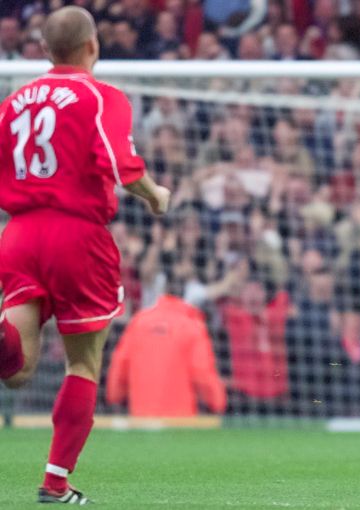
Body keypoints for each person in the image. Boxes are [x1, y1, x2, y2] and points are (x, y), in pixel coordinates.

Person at [0, 7, 170, 504]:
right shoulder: (102, 96)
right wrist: (155, 194)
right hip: (76, 235)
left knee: (18, 371)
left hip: (19, 235)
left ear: (45, 49)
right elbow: (119, 163)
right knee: (83, 365)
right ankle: (55, 484)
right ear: (93, 45)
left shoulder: (13, 103)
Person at [106, 293, 227, 418]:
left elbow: (120, 366)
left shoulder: (138, 322)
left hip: (141, 419)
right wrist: (217, 402)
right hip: (180, 421)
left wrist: (116, 396)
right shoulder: (192, 326)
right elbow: (202, 373)